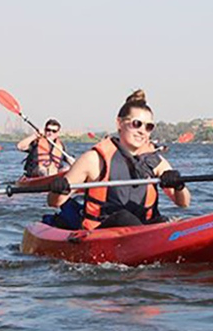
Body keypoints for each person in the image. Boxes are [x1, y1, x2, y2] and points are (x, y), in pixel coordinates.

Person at [47, 90, 190, 229]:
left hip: (143, 231)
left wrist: (179, 186)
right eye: (136, 124)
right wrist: (58, 189)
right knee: (123, 217)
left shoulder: (156, 162)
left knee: (163, 221)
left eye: (149, 127)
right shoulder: (94, 160)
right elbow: (54, 202)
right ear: (119, 123)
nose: (142, 131)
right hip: (103, 232)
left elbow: (184, 203)